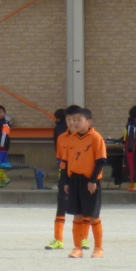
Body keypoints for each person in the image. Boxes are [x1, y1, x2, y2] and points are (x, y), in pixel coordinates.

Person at [64, 107, 108, 258]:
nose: (75, 123)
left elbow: (101, 161)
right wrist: (66, 182)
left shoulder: (95, 137)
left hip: (90, 181)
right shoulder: (71, 138)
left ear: (89, 122)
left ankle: (99, 248)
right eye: (73, 120)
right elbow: (67, 162)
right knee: (77, 215)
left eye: (79, 120)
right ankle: (77, 248)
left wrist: (93, 180)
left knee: (93, 215)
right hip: (75, 179)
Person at [48, 105, 87, 251]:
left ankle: (84, 239)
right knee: (62, 204)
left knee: (83, 207)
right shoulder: (62, 138)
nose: (72, 122)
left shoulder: (88, 137)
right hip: (65, 174)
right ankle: (58, 239)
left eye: (75, 119)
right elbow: (60, 159)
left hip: (82, 175)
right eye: (69, 119)